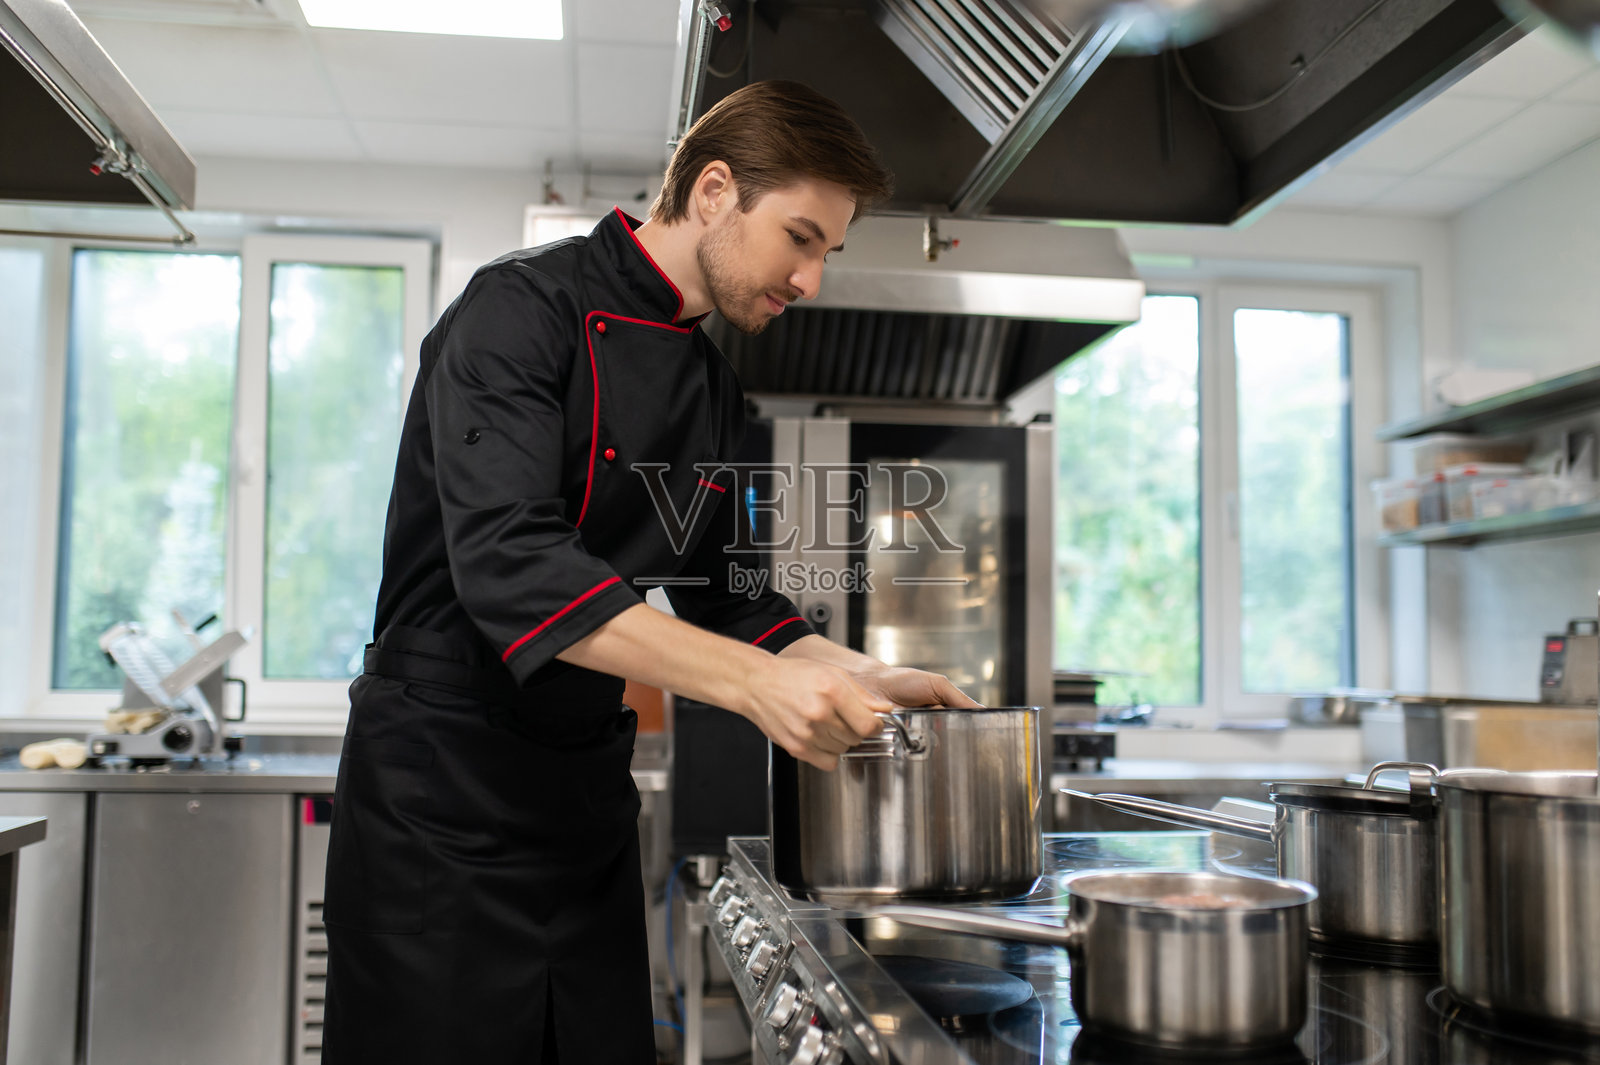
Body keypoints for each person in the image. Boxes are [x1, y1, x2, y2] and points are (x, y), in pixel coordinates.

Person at [319, 80, 978, 1065]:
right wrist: (760, 686)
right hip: (440, 808)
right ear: (714, 190)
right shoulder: (517, 312)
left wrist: (845, 669)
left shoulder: (710, 385)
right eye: (800, 238)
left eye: (825, 253)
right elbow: (514, 568)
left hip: (577, 808)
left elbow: (725, 585)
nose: (811, 281)